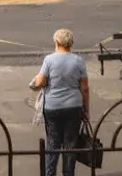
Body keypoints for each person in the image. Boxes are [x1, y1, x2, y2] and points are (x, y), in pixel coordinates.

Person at [30, 28, 90, 176]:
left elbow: (41, 82)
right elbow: (85, 89)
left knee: (53, 145)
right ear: (71, 43)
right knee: (70, 146)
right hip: (74, 108)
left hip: (53, 108)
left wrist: (34, 83)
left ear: (57, 42)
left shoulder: (49, 60)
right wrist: (86, 111)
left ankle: (50, 173)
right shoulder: (78, 61)